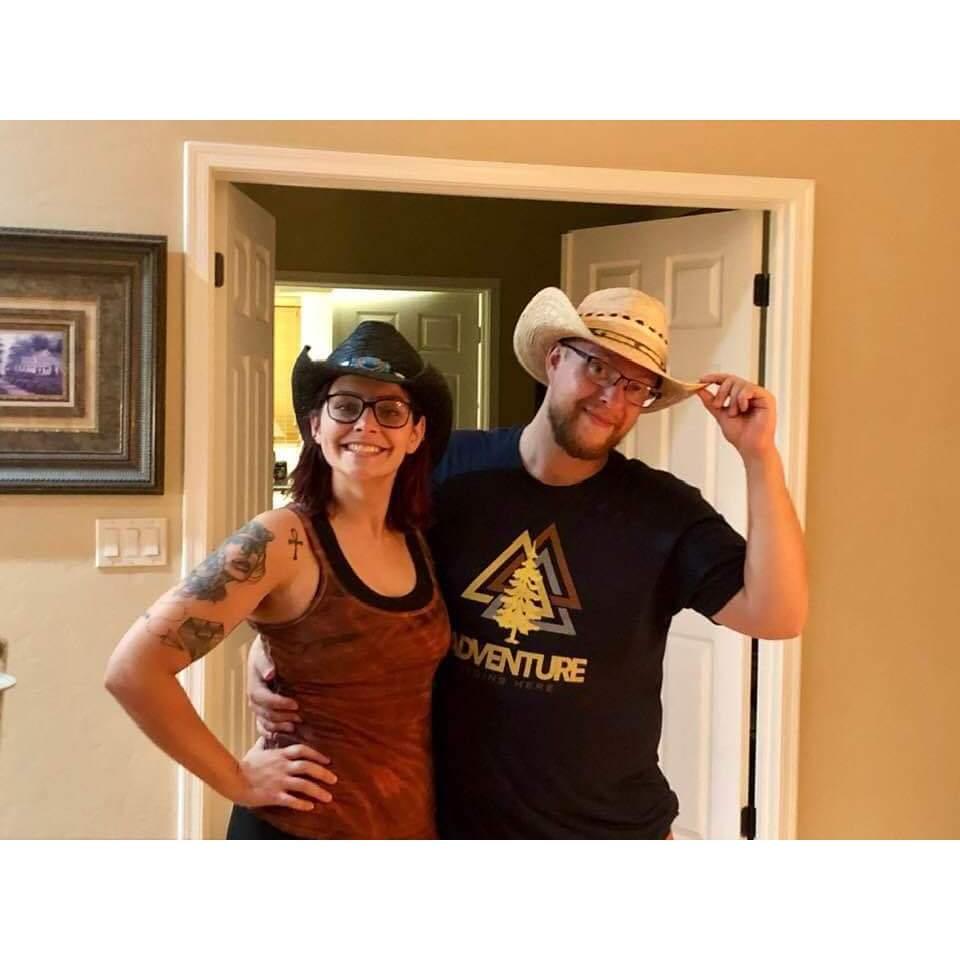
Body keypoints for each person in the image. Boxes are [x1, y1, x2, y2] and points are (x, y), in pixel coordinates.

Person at [248, 286, 808, 839]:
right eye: (598, 368)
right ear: (555, 358)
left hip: (612, 834)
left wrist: (758, 455)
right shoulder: (446, 467)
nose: (611, 398)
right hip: (456, 827)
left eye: (635, 386)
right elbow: (339, 562)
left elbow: (777, 615)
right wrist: (270, 650)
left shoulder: (664, 510)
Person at [105, 321, 453, 839]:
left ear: (415, 433)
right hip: (297, 830)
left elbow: (335, 639)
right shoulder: (279, 539)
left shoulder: (418, 541)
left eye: (390, 410)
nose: (365, 425)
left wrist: (263, 652)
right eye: (345, 406)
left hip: (404, 824)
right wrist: (237, 779)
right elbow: (134, 669)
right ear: (316, 425)